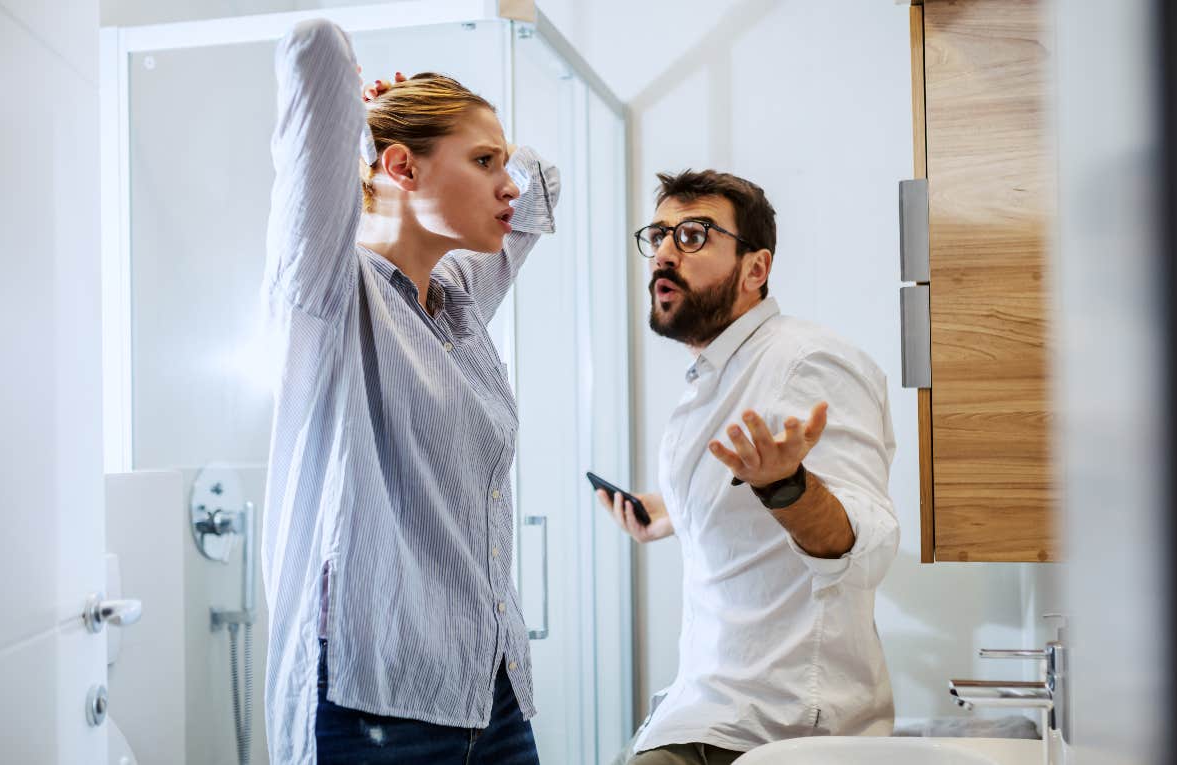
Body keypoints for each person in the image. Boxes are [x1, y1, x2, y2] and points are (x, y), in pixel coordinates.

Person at [261, 19, 559, 764]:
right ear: (401, 167)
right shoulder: (330, 294)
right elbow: (314, 49)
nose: (508, 182)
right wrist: (361, 124)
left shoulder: (454, 300)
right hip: (376, 699)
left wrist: (425, 126)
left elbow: (545, 178)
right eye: (484, 160)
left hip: (487, 692)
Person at [598, 170, 900, 764]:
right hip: (711, 707)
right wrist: (671, 513)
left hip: (778, 728)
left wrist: (787, 486)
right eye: (658, 235)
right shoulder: (717, 374)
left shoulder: (806, 361)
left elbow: (867, 544)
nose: (663, 253)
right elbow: (742, 507)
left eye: (691, 236)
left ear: (755, 269)